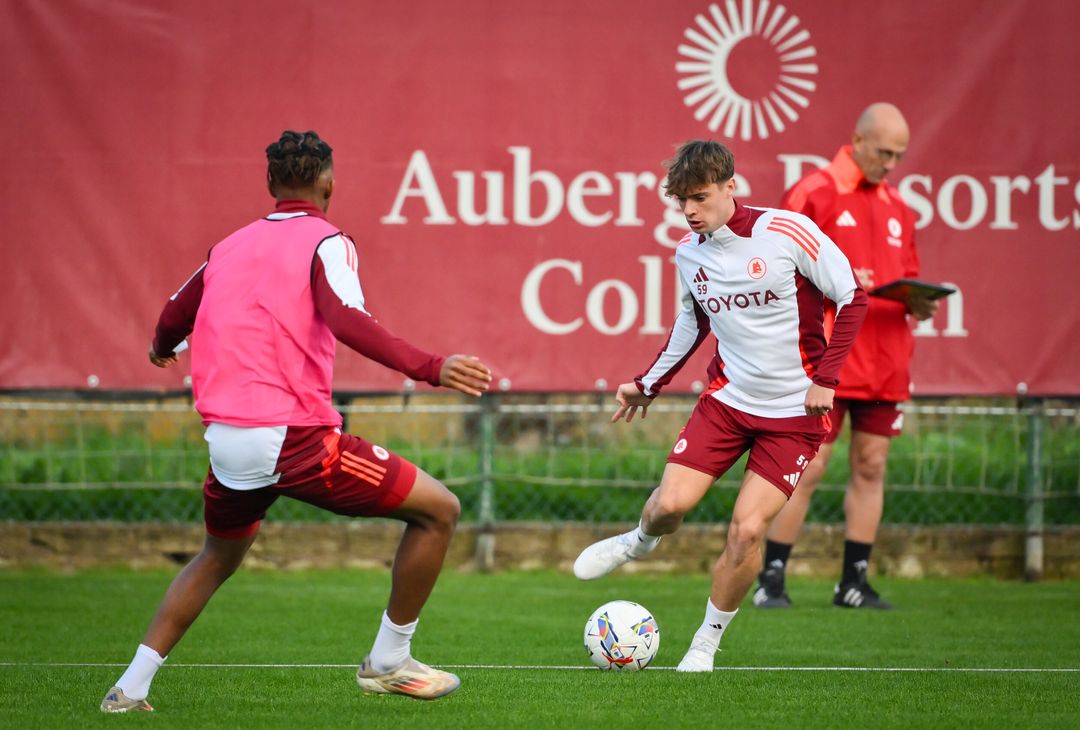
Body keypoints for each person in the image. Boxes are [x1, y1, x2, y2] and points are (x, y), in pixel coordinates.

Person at [100, 130, 492, 712]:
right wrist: (433, 366)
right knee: (440, 511)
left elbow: (173, 315)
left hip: (227, 442)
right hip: (295, 439)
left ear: (270, 185)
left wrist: (163, 345)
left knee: (218, 556)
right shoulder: (328, 242)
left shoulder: (228, 246)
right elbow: (348, 319)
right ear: (328, 182)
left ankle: (129, 689)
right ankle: (388, 661)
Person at [572, 140, 867, 671]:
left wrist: (827, 379)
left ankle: (704, 645)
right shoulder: (689, 252)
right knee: (668, 507)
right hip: (726, 403)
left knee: (747, 529)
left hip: (794, 415)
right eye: (681, 200)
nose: (689, 210)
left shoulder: (786, 232)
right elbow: (693, 322)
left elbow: (852, 296)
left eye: (699, 197)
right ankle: (639, 543)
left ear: (732, 186)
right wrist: (647, 384)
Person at [753, 103, 938, 611]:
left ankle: (853, 581)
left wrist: (917, 299)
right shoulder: (813, 192)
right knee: (806, 467)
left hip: (887, 359)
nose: (891, 163)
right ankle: (771, 577)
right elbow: (774, 267)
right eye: (884, 151)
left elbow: (909, 274)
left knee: (872, 465)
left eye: (899, 155)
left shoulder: (901, 205)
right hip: (827, 361)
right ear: (856, 139)